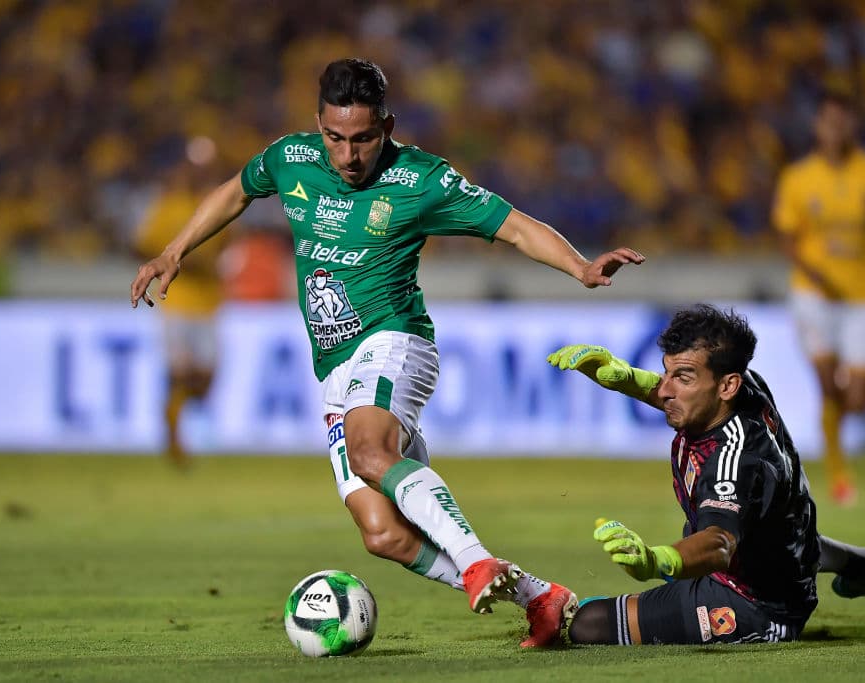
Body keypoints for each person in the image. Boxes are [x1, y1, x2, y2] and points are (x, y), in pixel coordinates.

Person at [130, 58, 645, 648]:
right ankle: (544, 600)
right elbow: (235, 193)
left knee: (370, 451)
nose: (347, 156)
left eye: (363, 139)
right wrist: (176, 251)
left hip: (396, 339)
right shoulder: (290, 159)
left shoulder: (422, 179)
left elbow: (514, 226)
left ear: (388, 126)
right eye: (335, 138)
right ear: (317, 125)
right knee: (384, 536)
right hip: (336, 368)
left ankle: (475, 560)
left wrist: (579, 265)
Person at [547, 304, 865, 646]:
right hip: (787, 541)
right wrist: (623, 377)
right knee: (767, 530)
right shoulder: (744, 389)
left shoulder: (733, 458)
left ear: (727, 386)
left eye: (683, 377)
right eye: (666, 371)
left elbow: (719, 544)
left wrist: (654, 561)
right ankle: (863, 562)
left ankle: (848, 568)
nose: (665, 388)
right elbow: (682, 390)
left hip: (753, 602)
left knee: (586, 621)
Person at [772, 90, 865, 504]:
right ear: (817, 127)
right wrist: (813, 269)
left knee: (855, 398)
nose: (835, 129)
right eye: (828, 121)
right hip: (814, 295)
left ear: (854, 124)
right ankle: (839, 477)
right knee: (826, 385)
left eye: (843, 120)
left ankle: (861, 405)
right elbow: (785, 236)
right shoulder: (799, 178)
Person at [134, 160, 227, 467]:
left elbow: (229, 248)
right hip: (176, 301)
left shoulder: (217, 205)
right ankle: (173, 436)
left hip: (209, 303)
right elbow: (141, 245)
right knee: (180, 373)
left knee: (206, 379)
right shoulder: (168, 206)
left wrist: (210, 265)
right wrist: (172, 260)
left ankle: (172, 412)